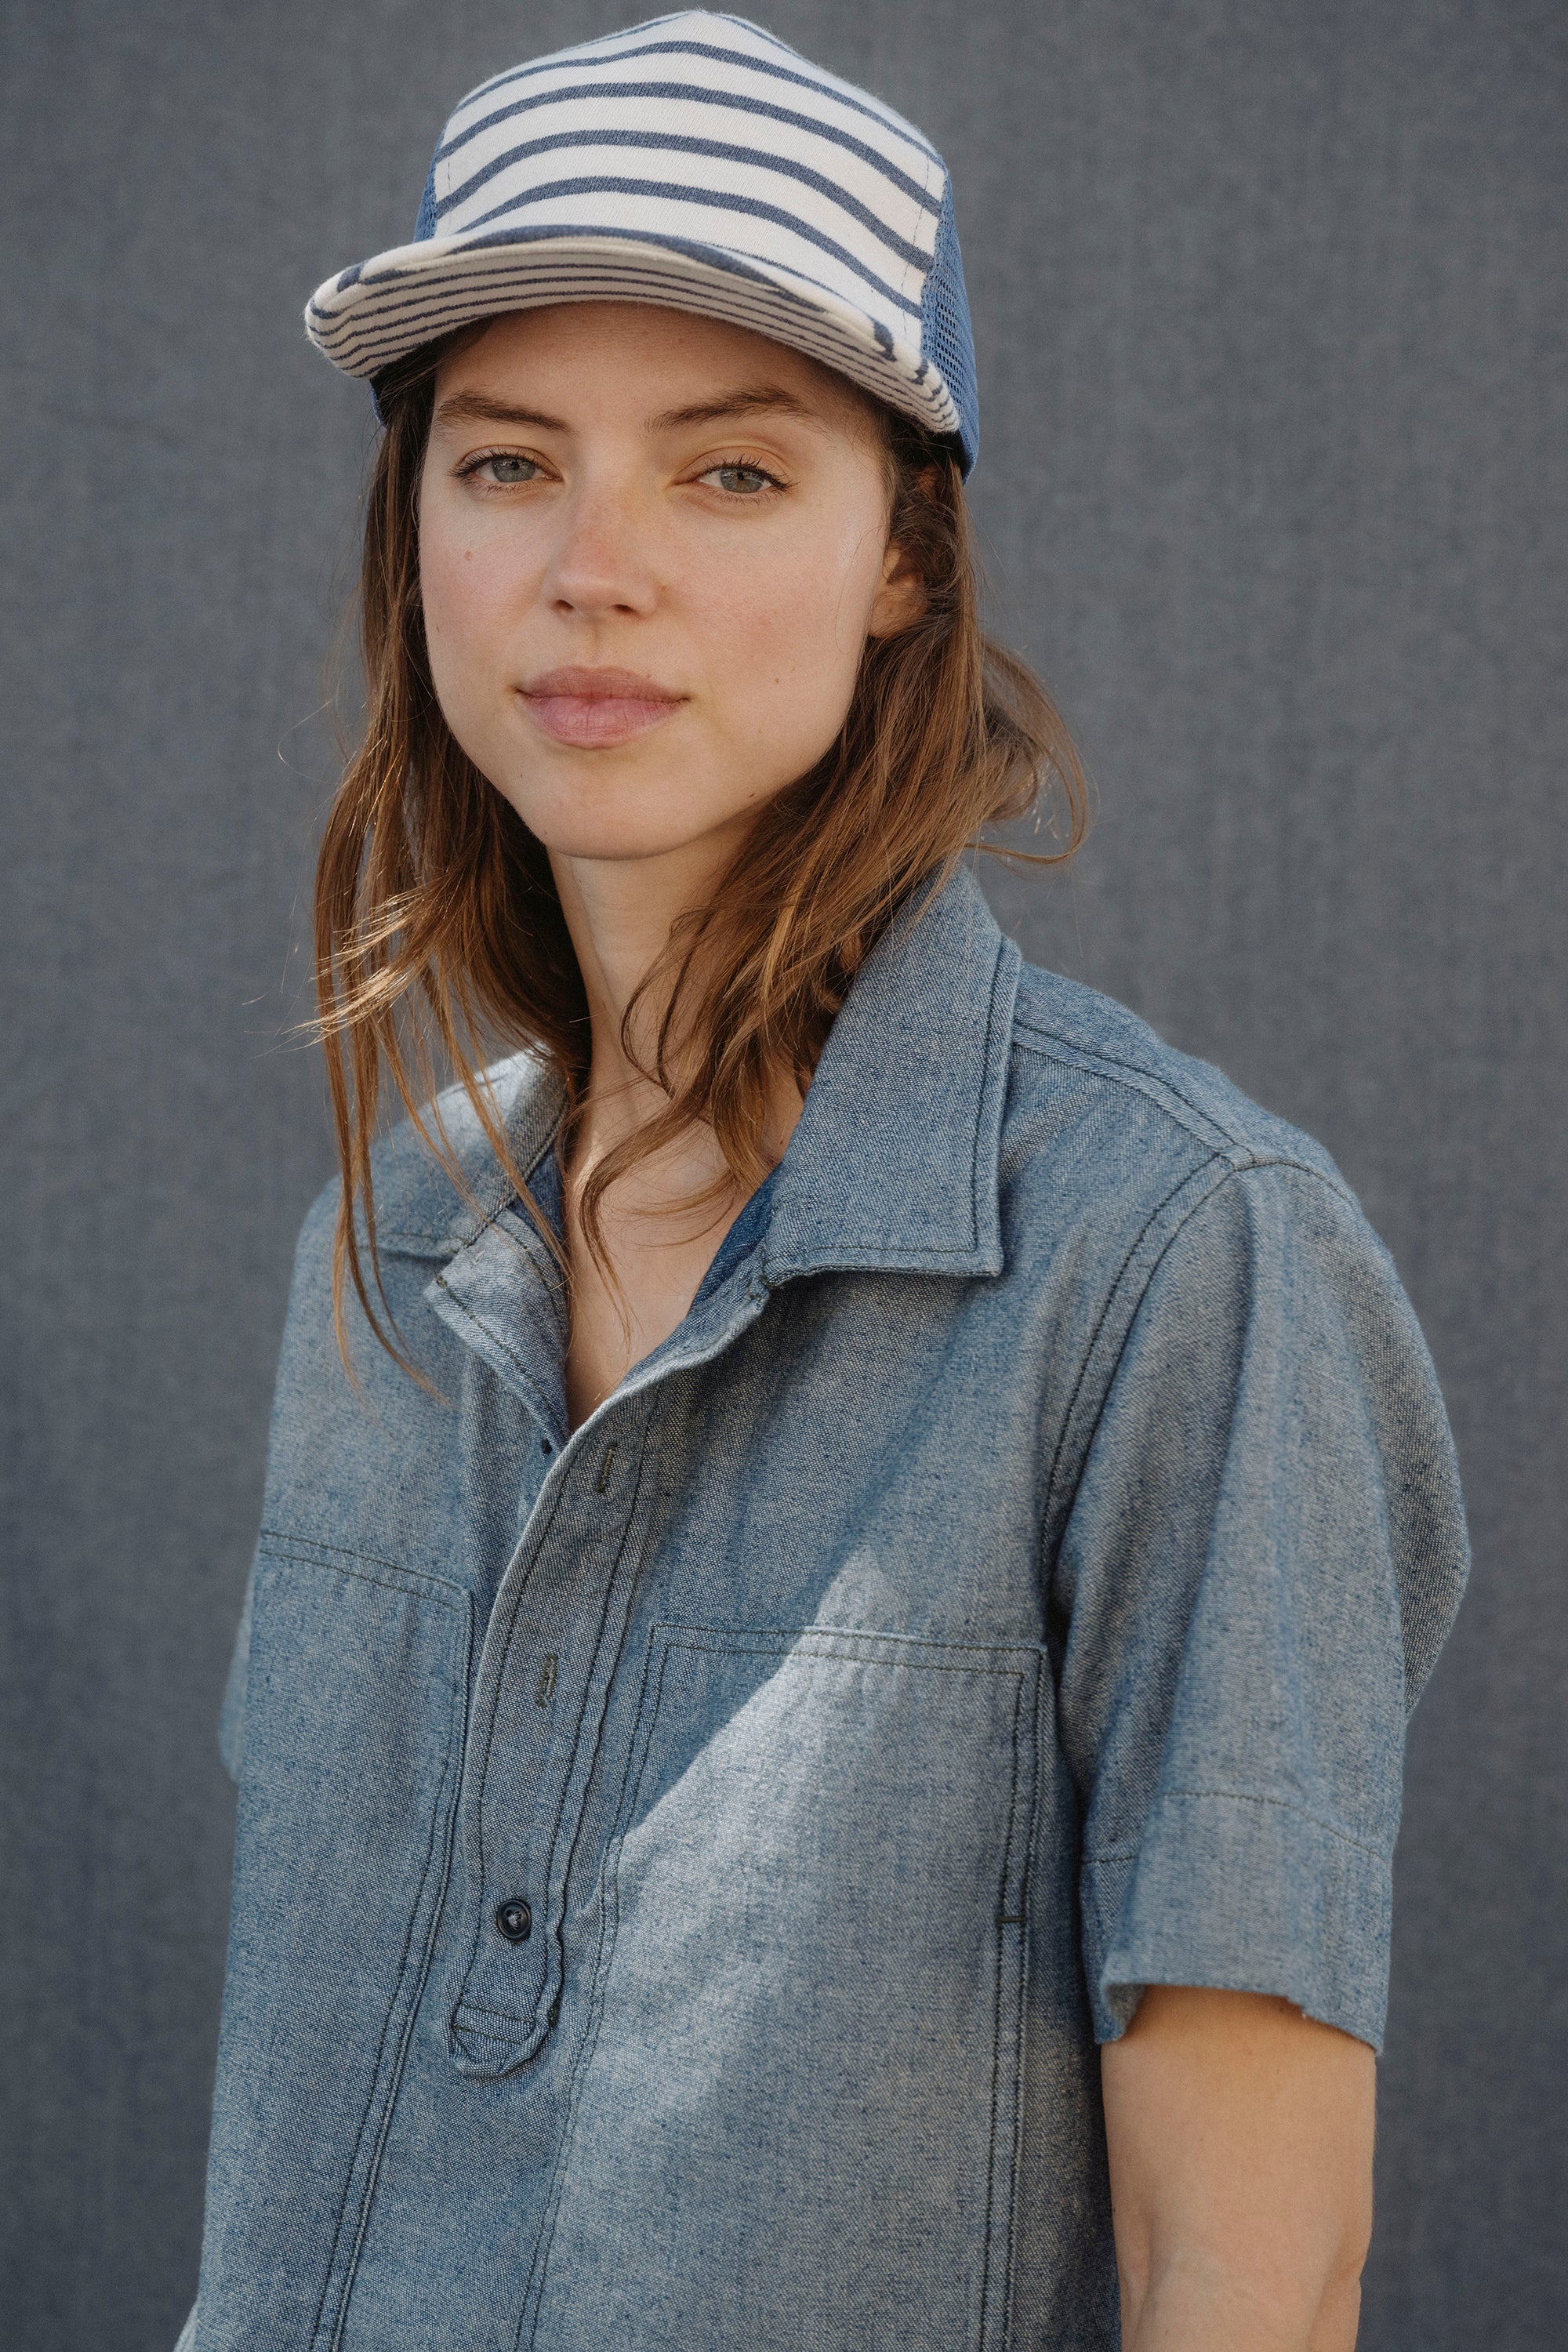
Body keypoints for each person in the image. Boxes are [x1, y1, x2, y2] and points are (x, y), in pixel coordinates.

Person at [178, 16, 1468, 2350]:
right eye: (506, 462)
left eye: (733, 471)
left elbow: (1255, 2273)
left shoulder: (1179, 1256)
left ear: (905, 554)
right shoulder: (393, 1237)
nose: (592, 571)